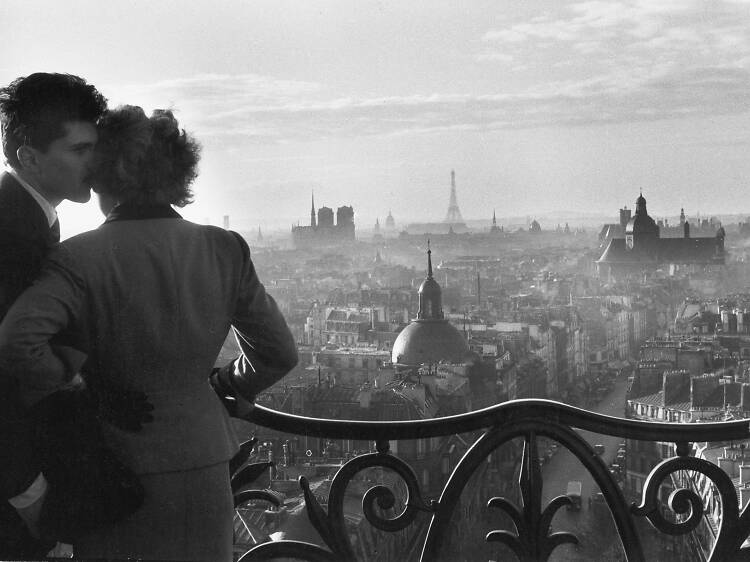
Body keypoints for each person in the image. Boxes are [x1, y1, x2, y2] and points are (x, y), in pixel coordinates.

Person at [0, 104, 299, 561]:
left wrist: (74, 384)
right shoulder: (223, 248)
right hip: (204, 458)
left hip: (113, 466)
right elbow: (278, 353)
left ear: (103, 175)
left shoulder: (79, 257)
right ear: (180, 174)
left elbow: (18, 341)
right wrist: (225, 384)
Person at [0, 72, 106, 557]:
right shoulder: (13, 233)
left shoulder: (30, 217)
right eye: (80, 150)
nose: (95, 162)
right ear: (30, 156)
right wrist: (29, 490)